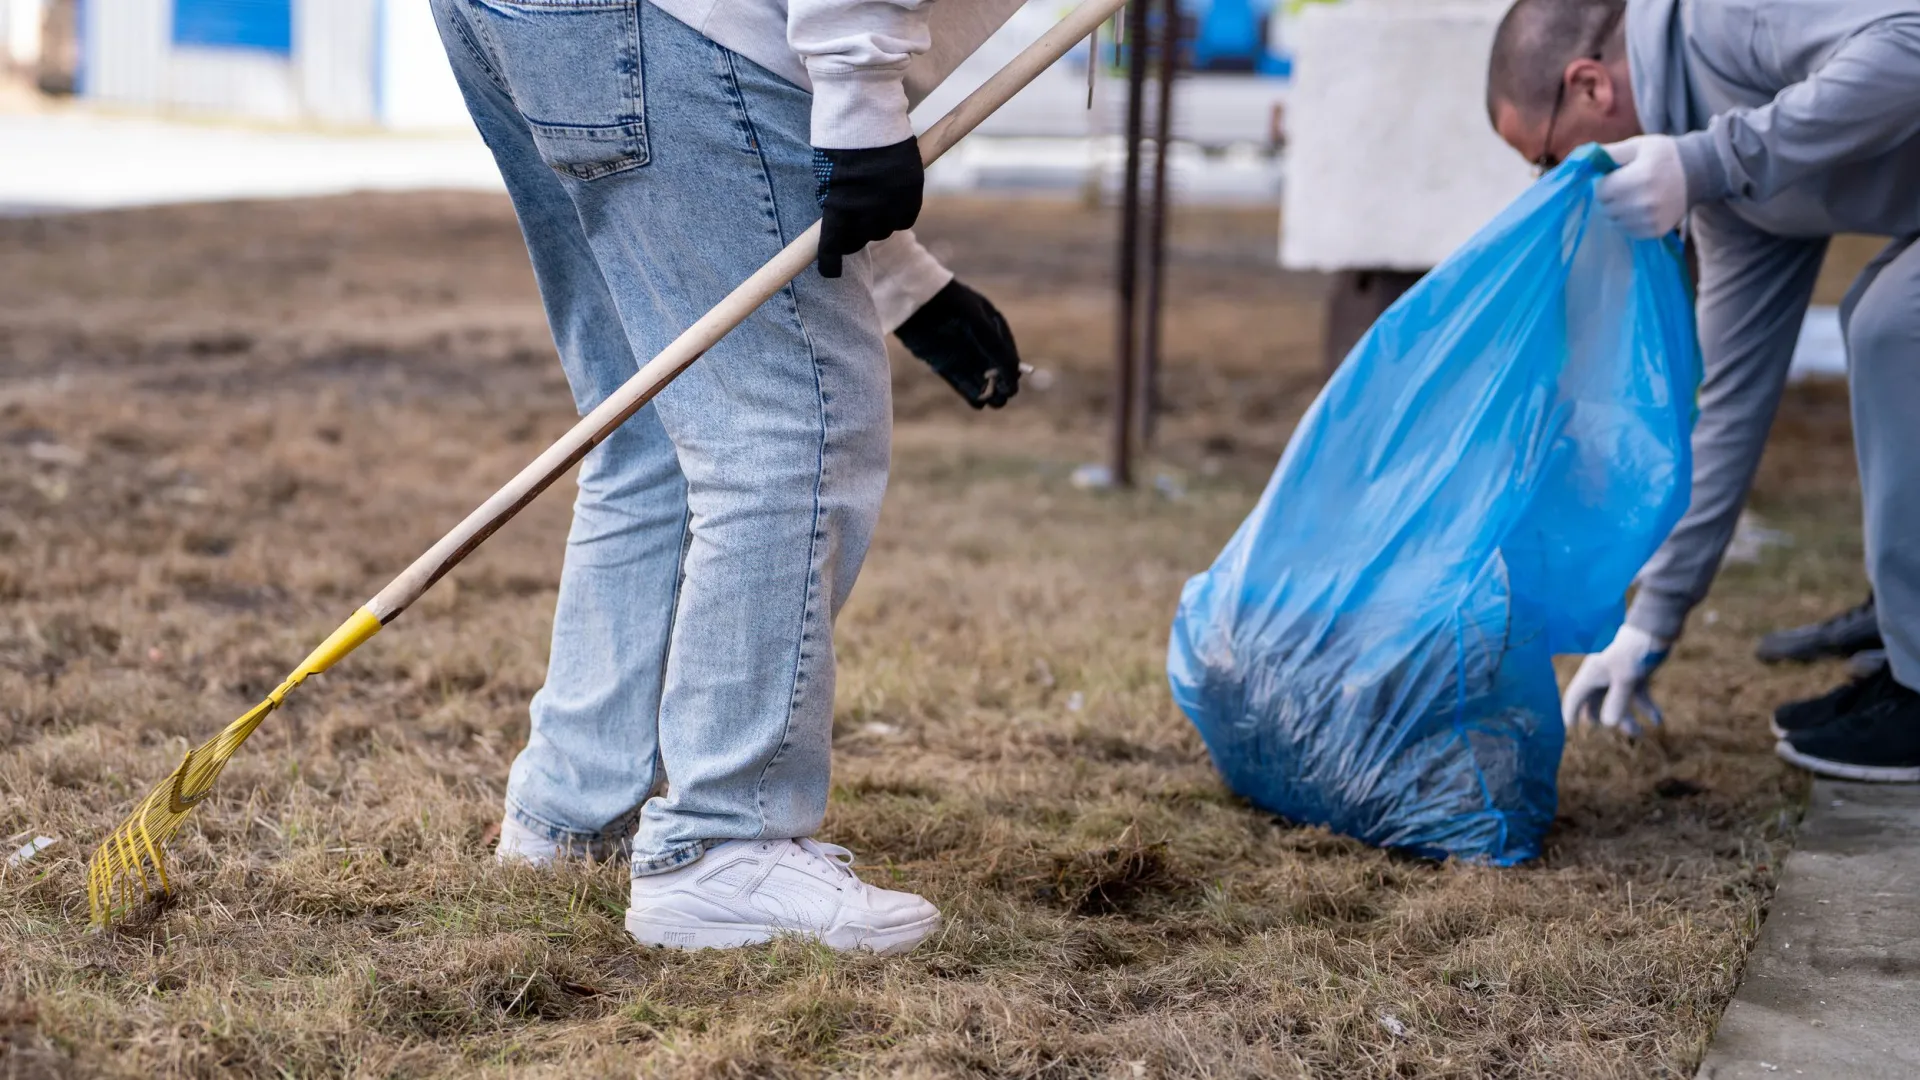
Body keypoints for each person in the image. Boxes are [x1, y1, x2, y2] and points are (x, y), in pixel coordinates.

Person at [428, 0, 1028, 953]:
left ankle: (571, 815)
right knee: (787, 433)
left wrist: (908, 281)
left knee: (652, 424)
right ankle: (723, 844)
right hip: (660, 26)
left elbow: (753, 152)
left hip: (536, 23)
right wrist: (863, 95)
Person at [1484, 0, 1920, 780]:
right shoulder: (1723, 197)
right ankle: (1906, 648)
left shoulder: (1720, 19)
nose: (1558, 186)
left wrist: (1711, 159)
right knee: (1883, 316)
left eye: (1548, 160)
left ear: (1590, 85)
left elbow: (1909, 42)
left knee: (1895, 323)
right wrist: (1651, 619)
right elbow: (1725, 402)